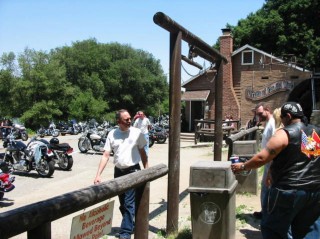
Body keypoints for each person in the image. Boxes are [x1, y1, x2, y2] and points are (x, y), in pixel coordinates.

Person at [231, 102, 320, 239]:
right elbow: (306, 157)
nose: (282, 121)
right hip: (314, 191)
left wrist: (242, 166)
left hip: (289, 190)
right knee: (307, 229)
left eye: (283, 118)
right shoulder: (315, 131)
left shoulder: (285, 133)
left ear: (288, 116)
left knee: (274, 228)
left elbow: (262, 158)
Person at [94, 109, 148, 239]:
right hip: (118, 172)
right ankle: (130, 224)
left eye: (130, 118)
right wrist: (98, 175)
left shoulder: (137, 133)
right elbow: (106, 155)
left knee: (129, 203)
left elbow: (142, 153)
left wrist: (147, 171)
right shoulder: (112, 134)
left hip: (133, 171)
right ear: (118, 121)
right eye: (126, 119)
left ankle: (125, 234)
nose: (130, 121)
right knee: (123, 203)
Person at [253, 102, 276, 219]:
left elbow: (274, 146)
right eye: (257, 114)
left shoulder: (272, 124)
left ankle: (266, 214)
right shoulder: (267, 123)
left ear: (267, 109)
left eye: (260, 113)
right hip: (267, 161)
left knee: (267, 188)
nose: (259, 116)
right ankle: (265, 211)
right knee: (265, 187)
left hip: (271, 162)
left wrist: (271, 167)